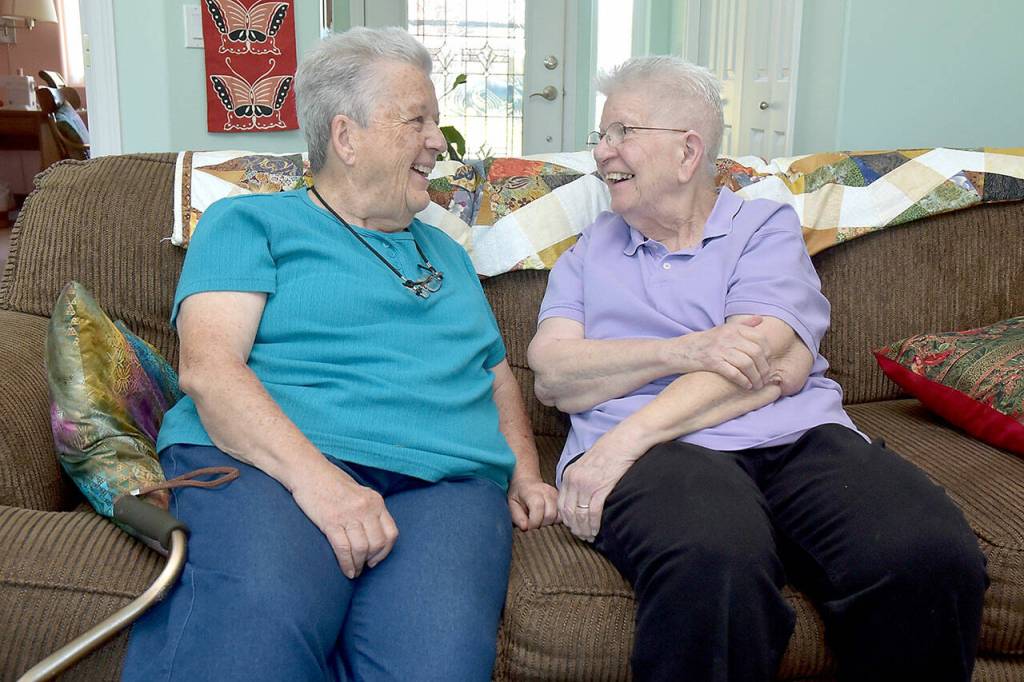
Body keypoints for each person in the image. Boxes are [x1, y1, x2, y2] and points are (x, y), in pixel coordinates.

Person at [528, 55, 987, 682]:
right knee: (715, 560)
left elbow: (771, 358)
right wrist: (683, 351)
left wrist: (620, 441)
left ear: (688, 151)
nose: (602, 153)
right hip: (668, 463)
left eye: (620, 133)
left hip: (788, 437)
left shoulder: (762, 228)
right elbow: (553, 373)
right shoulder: (588, 252)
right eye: (600, 137)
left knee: (926, 551)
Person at [123, 26, 558, 682]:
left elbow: (495, 375)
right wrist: (326, 488)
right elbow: (211, 372)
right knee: (257, 630)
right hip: (274, 463)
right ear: (346, 137)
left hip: (446, 484)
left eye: (436, 122)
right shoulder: (249, 224)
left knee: (436, 666)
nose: (438, 141)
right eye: (418, 120)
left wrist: (525, 473)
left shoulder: (449, 258)